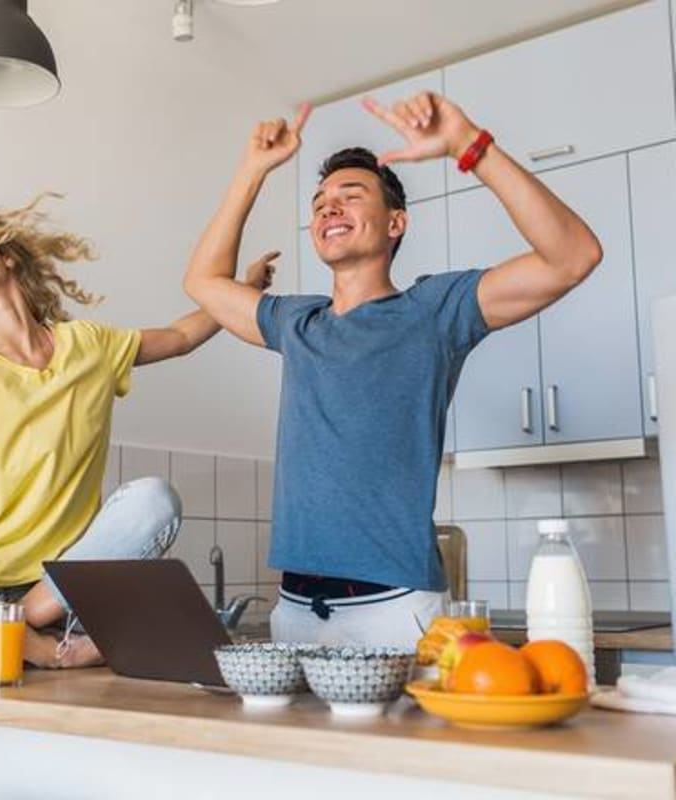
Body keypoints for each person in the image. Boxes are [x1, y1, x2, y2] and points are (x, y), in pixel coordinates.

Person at [184, 92, 602, 649]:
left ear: (395, 223)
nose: (329, 208)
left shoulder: (433, 311)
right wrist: (252, 171)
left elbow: (572, 256)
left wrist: (470, 147)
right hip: (295, 612)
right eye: (319, 202)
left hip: (397, 612)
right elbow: (203, 284)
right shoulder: (296, 321)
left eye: (350, 196)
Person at [0, 195, 276, 676]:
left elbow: (182, 336)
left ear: (5, 255)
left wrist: (241, 293)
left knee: (154, 499)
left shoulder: (89, 345)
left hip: (57, 590)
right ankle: (40, 648)